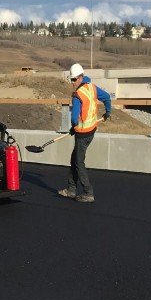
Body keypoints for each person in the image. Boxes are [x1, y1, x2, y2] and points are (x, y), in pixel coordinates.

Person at [59, 63, 111, 203]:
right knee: (74, 158)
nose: (72, 82)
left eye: (74, 79)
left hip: (82, 134)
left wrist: (73, 127)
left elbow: (74, 118)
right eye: (71, 79)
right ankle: (71, 189)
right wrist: (108, 112)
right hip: (91, 131)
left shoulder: (78, 95)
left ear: (81, 77)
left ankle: (88, 192)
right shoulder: (92, 88)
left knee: (78, 162)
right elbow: (107, 97)